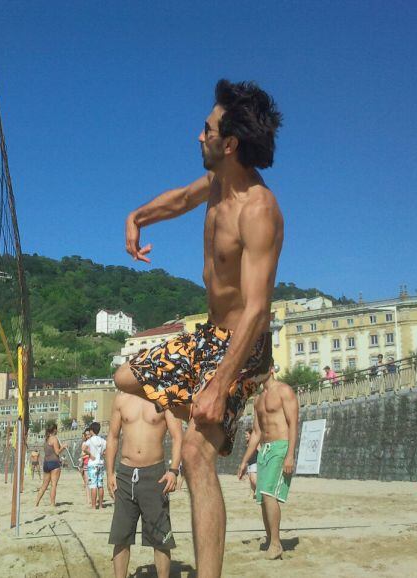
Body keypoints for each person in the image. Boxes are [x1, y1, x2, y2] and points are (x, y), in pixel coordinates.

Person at [113, 79, 283, 577]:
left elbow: (255, 309)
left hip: (244, 347)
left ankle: (214, 426)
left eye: (207, 129)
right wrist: (136, 215)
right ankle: (218, 422)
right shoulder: (214, 186)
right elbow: (178, 200)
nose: (198, 135)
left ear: (229, 143)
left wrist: (220, 383)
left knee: (194, 454)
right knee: (127, 376)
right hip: (207, 339)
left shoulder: (259, 209)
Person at [106, 393, 182, 578]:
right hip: (125, 474)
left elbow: (178, 436)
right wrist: (109, 473)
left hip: (155, 475)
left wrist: (173, 470)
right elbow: (113, 436)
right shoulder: (122, 399)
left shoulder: (164, 398)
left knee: (160, 537)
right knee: (121, 536)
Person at [238, 374, 298, 560]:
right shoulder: (258, 399)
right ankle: (272, 539)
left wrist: (290, 454)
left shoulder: (284, 390)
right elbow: (256, 432)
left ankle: (275, 543)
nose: (256, 375)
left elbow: (293, 424)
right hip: (264, 450)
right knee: (262, 498)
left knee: (268, 494)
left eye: (260, 369)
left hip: (281, 446)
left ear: (270, 368)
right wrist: (245, 461)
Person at [35, 424, 67, 507]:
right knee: (53, 485)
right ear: (54, 430)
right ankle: (52, 504)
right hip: (54, 463)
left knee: (44, 485)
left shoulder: (46, 439)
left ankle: (36, 502)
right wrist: (63, 447)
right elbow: (57, 452)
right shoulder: (54, 439)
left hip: (46, 463)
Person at [85, 422, 108, 509]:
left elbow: (83, 448)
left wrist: (90, 454)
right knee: (100, 485)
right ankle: (101, 505)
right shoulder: (103, 441)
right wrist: (101, 453)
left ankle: (94, 506)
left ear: (91, 430)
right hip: (100, 463)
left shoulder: (90, 440)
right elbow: (105, 452)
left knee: (93, 485)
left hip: (92, 464)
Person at [243, 428, 259, 499]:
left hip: (255, 462)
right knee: (251, 480)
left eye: (246, 434)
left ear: (251, 435)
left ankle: (258, 491)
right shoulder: (247, 443)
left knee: (253, 479)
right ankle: (252, 494)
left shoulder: (254, 443)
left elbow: (260, 451)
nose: (245, 436)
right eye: (245, 434)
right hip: (250, 463)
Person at [79, 428, 93, 505]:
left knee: (93, 483)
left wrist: (86, 455)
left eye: (89, 434)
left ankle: (92, 498)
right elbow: (82, 455)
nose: (87, 436)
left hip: (92, 463)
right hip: (86, 463)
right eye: (86, 434)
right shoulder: (84, 443)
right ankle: (88, 499)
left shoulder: (93, 442)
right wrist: (86, 455)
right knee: (87, 483)